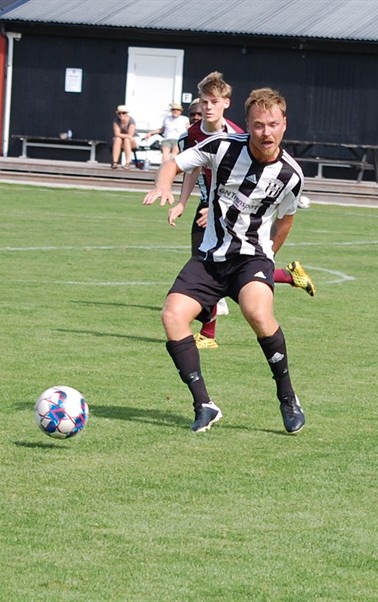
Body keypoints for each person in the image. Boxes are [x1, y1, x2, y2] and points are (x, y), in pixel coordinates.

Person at [143, 87, 307, 434]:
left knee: (257, 313)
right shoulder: (222, 146)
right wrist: (164, 185)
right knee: (172, 316)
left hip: (251, 258)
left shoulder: (290, 175)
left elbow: (286, 218)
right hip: (210, 257)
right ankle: (204, 405)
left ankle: (287, 397)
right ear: (247, 125)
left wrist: (268, 257)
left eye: (273, 125)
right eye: (258, 125)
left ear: (284, 124)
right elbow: (173, 163)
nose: (266, 132)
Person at [146, 72, 315, 351]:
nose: (207, 108)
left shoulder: (239, 137)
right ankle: (285, 277)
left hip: (231, 208)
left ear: (226, 103)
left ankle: (208, 333)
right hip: (209, 203)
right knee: (210, 264)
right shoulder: (191, 135)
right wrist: (182, 202)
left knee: (224, 264)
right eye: (203, 102)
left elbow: (253, 184)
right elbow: (191, 169)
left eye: (213, 101)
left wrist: (224, 212)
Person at [111, 105, 137, 169]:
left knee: (126, 140)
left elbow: (130, 135)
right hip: (121, 140)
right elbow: (117, 134)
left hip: (132, 141)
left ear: (127, 114)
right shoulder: (116, 121)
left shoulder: (131, 121)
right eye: (119, 113)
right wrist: (124, 136)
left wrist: (123, 135)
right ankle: (115, 162)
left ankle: (127, 163)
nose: (121, 115)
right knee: (117, 139)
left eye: (123, 113)